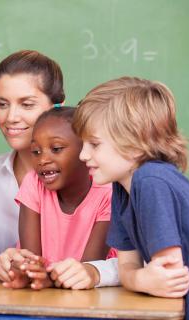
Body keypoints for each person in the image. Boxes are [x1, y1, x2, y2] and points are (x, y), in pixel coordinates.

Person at [73, 76, 189, 319]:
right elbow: (128, 269)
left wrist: (141, 279)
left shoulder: (151, 181)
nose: (83, 154)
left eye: (94, 144)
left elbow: (168, 278)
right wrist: (141, 279)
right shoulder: (122, 188)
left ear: (135, 145)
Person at [0, 49, 119, 289]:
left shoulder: (106, 185)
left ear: (56, 106)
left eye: (26, 104)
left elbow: (100, 265)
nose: (11, 117)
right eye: (2, 104)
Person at [10, 107, 112, 290]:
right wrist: (31, 271)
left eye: (56, 149)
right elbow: (31, 260)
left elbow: (86, 269)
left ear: (85, 151)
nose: (42, 160)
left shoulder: (108, 193)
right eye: (36, 151)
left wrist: (48, 277)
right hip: (41, 293)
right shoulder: (34, 183)